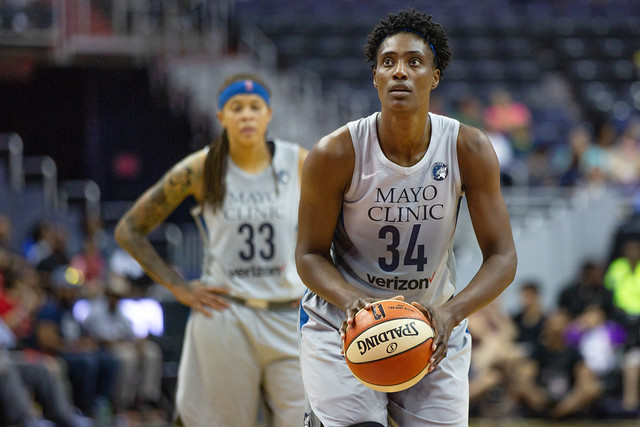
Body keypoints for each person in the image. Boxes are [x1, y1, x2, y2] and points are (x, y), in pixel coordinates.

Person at [295, 8, 517, 426]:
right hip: (344, 322)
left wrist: (452, 312)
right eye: (388, 62)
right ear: (375, 77)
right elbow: (308, 254)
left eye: (414, 61)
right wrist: (350, 304)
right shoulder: (336, 153)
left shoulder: (467, 147)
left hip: (434, 324)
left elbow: (503, 256)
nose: (400, 72)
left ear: (435, 76)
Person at [114, 72, 308, 426]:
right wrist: (178, 286)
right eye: (236, 108)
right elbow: (129, 229)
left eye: (254, 107)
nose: (246, 115)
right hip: (226, 314)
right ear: (221, 117)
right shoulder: (202, 167)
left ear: (269, 113)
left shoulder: (299, 161)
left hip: (289, 314)